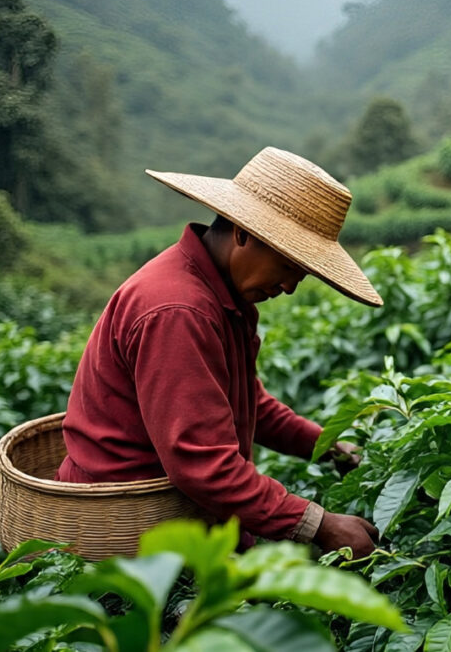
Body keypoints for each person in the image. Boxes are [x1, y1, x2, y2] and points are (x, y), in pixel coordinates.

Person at [58, 147, 382, 558]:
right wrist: (319, 525)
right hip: (125, 532)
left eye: (302, 276)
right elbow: (202, 462)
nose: (289, 287)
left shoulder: (224, 299)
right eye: (288, 267)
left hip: (181, 517)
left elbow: (249, 403)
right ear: (244, 234)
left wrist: (331, 446)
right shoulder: (179, 311)